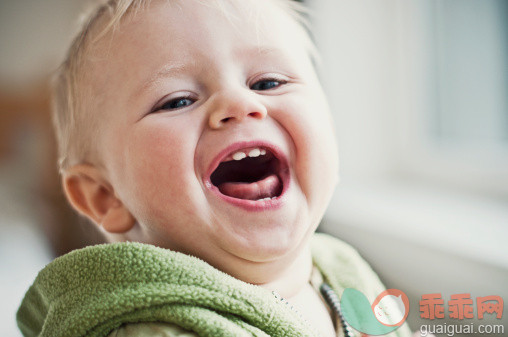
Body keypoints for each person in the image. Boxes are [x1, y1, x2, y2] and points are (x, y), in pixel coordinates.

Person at [17, 0, 413, 336]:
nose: (238, 104)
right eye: (176, 101)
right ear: (106, 196)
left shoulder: (342, 270)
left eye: (269, 82)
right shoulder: (155, 329)